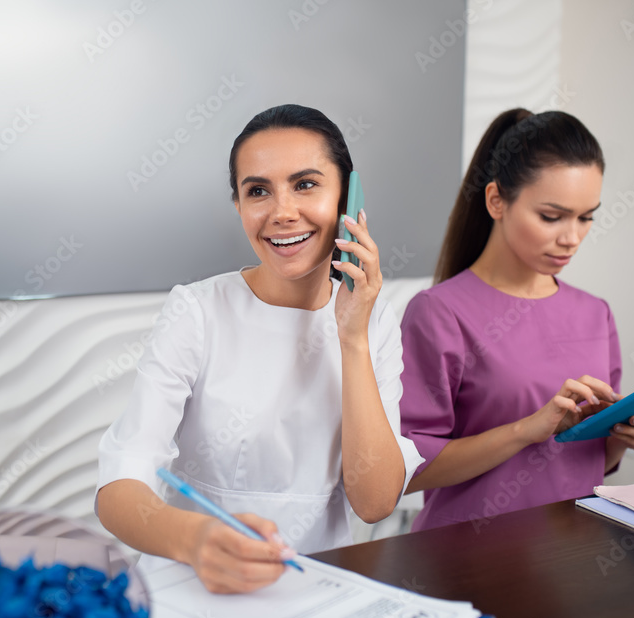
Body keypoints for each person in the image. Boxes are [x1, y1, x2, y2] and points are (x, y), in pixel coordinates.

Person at [96, 104, 422, 592]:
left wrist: (352, 337)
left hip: (313, 589)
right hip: (192, 586)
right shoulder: (197, 311)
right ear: (239, 206)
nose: (282, 212)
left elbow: (374, 503)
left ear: (347, 198)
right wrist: (195, 539)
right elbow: (120, 488)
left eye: (305, 184)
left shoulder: (373, 320)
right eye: (258, 191)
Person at [400, 108, 634, 531]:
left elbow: (585, 463)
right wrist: (526, 430)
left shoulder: (595, 314)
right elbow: (405, 472)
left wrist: (624, 436)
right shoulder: (438, 313)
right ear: (496, 200)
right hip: (465, 554)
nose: (571, 238)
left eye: (586, 217)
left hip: (573, 552)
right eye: (551, 216)